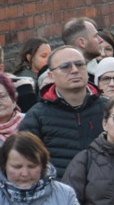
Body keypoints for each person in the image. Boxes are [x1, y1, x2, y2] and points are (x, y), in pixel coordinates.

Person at [19, 46, 106, 177]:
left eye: (79, 64)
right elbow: (26, 163)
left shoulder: (108, 108)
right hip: (58, 192)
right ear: (51, 75)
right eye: (65, 67)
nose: (75, 70)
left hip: (106, 191)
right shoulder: (37, 116)